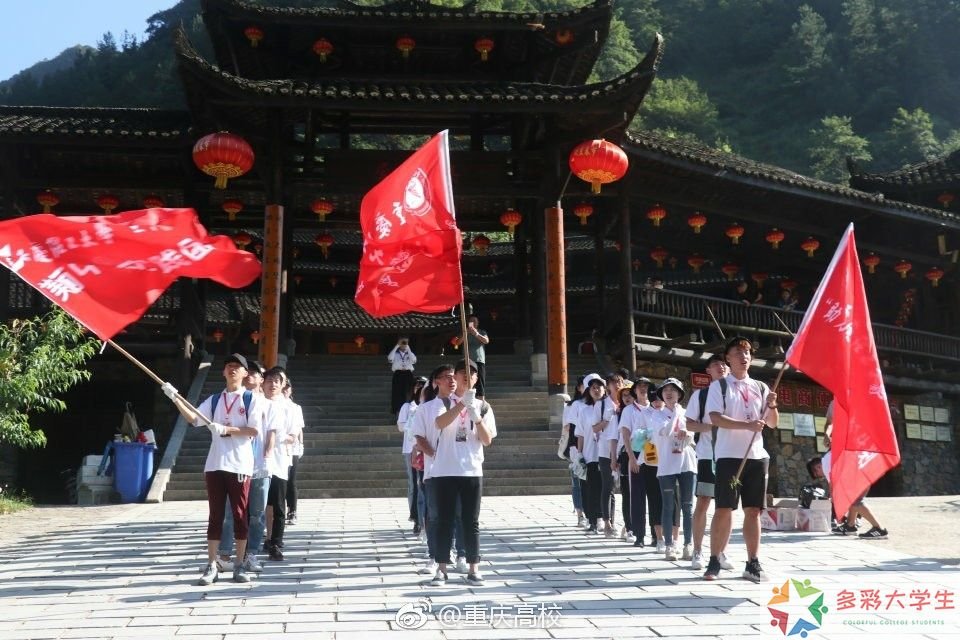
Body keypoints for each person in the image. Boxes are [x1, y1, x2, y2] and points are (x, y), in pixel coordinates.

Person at [163, 353, 272, 585]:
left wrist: (226, 429)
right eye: (228, 366)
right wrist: (175, 398)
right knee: (216, 516)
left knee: (240, 515)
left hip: (240, 464)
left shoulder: (252, 400)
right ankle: (212, 564)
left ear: (245, 374)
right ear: (223, 372)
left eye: (237, 367)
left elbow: (253, 431)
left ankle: (240, 564)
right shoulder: (214, 400)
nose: (232, 370)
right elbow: (194, 419)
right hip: (214, 464)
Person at [703, 336, 779, 582]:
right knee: (724, 508)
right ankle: (715, 559)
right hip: (728, 456)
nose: (743, 356)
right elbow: (715, 418)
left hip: (756, 456)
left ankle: (752, 562)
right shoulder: (720, 386)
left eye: (747, 353)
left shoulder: (761, 387)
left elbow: (772, 423)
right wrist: (747, 424)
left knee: (754, 510)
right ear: (728, 358)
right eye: (737, 352)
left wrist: (773, 406)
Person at [413, 362, 496, 586]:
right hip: (443, 470)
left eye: (472, 374)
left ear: (477, 379)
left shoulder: (483, 406)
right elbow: (440, 423)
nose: (468, 377)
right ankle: (441, 569)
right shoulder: (441, 403)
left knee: (471, 521)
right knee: (444, 521)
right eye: (462, 374)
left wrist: (474, 414)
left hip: (471, 469)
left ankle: (473, 567)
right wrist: (461, 406)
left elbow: (487, 440)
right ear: (455, 378)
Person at [216, 358, 271, 575]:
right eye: (248, 373)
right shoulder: (232, 399)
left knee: (256, 514)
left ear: (261, 379)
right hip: (236, 464)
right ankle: (224, 555)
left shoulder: (267, 404)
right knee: (231, 513)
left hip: (259, 466)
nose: (250, 377)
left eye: (254, 374)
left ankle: (252, 555)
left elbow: (272, 433)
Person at [686, 354, 735, 571]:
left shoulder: (736, 391)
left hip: (732, 454)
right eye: (716, 365)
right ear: (708, 371)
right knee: (704, 501)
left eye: (723, 364)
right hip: (708, 454)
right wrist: (713, 427)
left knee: (728, 506)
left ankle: (721, 552)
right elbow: (689, 425)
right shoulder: (701, 395)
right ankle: (697, 550)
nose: (721, 367)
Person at [822, 400, 888, 539]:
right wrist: (828, 433)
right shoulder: (835, 402)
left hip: (861, 453)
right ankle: (850, 525)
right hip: (849, 454)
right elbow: (830, 423)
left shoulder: (862, 400)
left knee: (854, 497)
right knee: (853, 495)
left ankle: (878, 528)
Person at [649, 378, 696, 561]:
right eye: (666, 390)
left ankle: (688, 544)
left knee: (687, 506)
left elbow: (692, 435)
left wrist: (688, 433)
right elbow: (665, 432)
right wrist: (676, 415)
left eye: (673, 390)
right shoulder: (657, 415)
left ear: (679, 394)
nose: (669, 393)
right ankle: (669, 544)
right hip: (667, 463)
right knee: (668, 505)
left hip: (686, 462)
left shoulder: (687, 413)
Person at [620, 377, 652, 547]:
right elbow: (625, 435)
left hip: (654, 453)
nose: (643, 389)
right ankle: (639, 534)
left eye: (646, 386)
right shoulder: (628, 411)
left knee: (654, 495)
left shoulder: (655, 408)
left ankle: (657, 534)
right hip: (636, 452)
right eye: (640, 386)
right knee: (637, 496)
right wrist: (631, 458)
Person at [575, 373, 607, 535]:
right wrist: (579, 454)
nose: (596, 390)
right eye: (593, 387)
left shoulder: (609, 407)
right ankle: (593, 519)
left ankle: (604, 518)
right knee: (591, 487)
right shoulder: (584, 410)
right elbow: (580, 433)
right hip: (590, 453)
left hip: (606, 453)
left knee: (604, 487)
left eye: (599, 387)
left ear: (604, 389)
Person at [398, 376, 429, 532]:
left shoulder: (429, 405)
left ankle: (423, 517)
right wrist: (413, 422)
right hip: (410, 448)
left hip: (425, 448)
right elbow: (401, 426)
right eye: (417, 385)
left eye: (423, 385)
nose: (420, 388)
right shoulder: (407, 407)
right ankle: (415, 516)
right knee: (413, 485)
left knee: (423, 484)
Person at [562, 376, 587, 528]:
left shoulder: (599, 404)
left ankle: (592, 512)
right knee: (577, 480)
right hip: (575, 445)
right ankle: (580, 513)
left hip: (593, 446)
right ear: (579, 388)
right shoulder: (572, 405)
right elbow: (567, 427)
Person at [284, 381, 304, 526]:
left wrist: (301, 444)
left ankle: (292, 510)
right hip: (277, 447)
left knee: (291, 479)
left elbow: (299, 428)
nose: (285, 390)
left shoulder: (296, 407)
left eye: (287, 387)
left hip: (293, 447)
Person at [388, 337, 417, 415]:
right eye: (402, 342)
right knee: (397, 392)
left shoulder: (410, 354)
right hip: (398, 374)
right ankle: (397, 410)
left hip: (408, 374)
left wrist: (408, 348)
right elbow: (390, 358)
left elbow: (413, 361)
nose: (404, 344)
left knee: (409, 392)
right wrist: (397, 346)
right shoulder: (395, 354)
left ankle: (409, 409)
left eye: (405, 342)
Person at [465, 316, 490, 399]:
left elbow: (486, 341)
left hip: (479, 359)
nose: (473, 322)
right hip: (468, 360)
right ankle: (470, 399)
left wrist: (476, 334)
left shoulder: (482, 332)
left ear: (478, 323)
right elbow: (456, 342)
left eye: (475, 321)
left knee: (480, 380)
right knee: (469, 380)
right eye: (471, 321)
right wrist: (466, 333)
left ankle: (481, 399)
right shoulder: (465, 331)